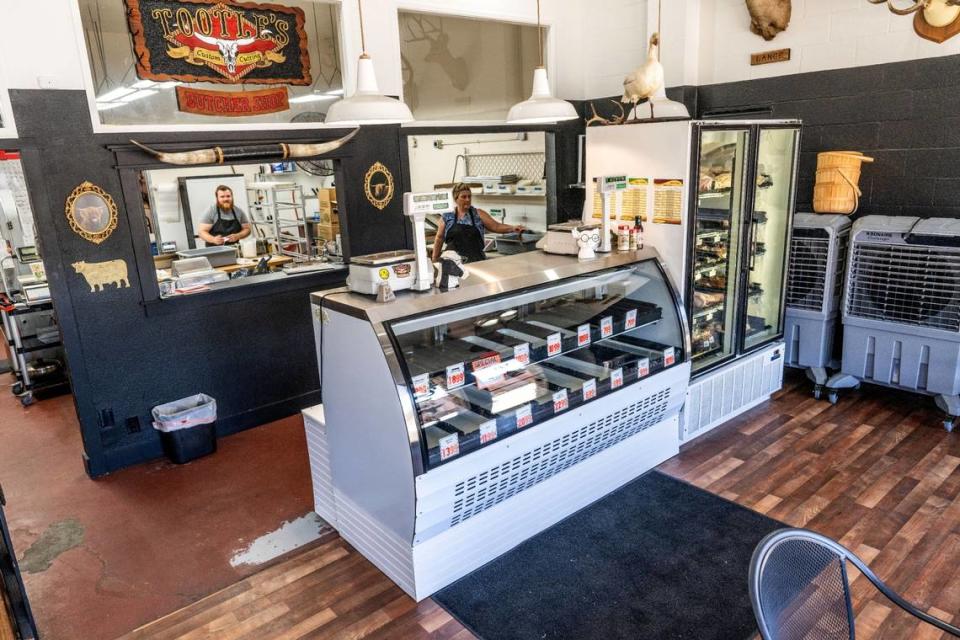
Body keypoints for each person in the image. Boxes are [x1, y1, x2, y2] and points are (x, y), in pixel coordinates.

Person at [432, 183, 525, 263]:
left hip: (476, 261)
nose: (467, 199)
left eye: (469, 196)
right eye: (464, 197)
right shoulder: (447, 216)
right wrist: (435, 258)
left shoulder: (478, 214)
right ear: (456, 199)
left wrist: (512, 228)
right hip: (452, 264)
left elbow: (496, 226)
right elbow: (439, 238)